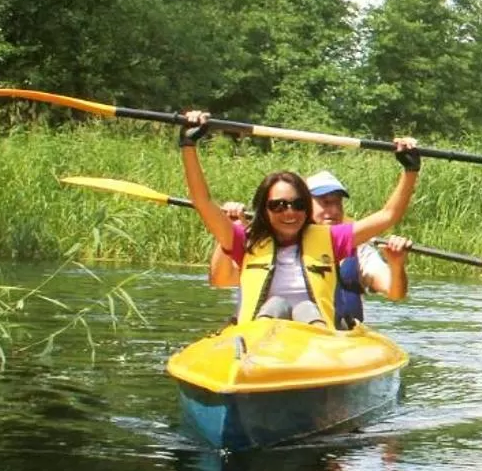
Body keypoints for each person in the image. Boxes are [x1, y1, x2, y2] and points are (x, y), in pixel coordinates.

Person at [178, 110, 420, 327]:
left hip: (314, 337)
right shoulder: (243, 239)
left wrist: (410, 170)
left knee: (306, 309)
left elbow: (388, 215)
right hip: (259, 337)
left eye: (298, 204)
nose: (289, 212)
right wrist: (189, 144)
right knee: (276, 305)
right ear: (265, 209)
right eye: (278, 205)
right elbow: (202, 201)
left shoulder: (332, 238)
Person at [305, 169, 411, 327]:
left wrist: (396, 265)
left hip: (347, 338)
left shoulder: (359, 248)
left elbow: (395, 293)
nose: (334, 211)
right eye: (325, 202)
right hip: (302, 334)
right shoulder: (291, 243)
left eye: (337, 203)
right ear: (305, 205)